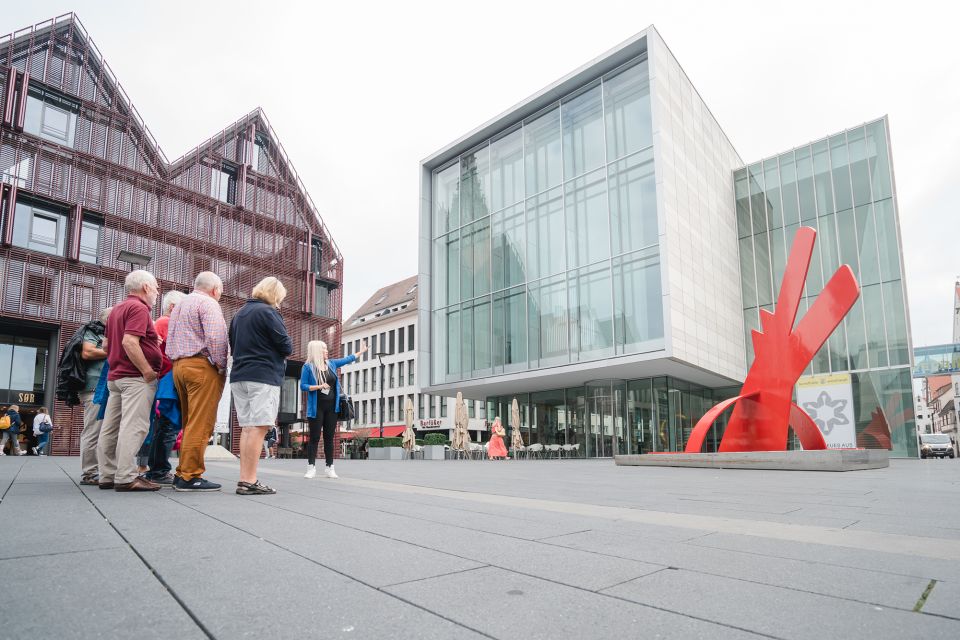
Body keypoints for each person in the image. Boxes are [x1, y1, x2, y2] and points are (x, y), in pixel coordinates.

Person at [96, 270, 163, 492]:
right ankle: (125, 477)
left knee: (111, 426)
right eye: (155, 287)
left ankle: (107, 475)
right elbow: (130, 342)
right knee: (134, 426)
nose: (156, 292)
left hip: (116, 376)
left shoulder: (116, 310)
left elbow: (106, 346)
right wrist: (147, 371)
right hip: (135, 377)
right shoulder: (139, 308)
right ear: (145, 287)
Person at [229, 277, 293, 495]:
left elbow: (232, 344)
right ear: (275, 295)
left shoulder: (239, 314)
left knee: (248, 428)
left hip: (240, 375)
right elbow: (286, 346)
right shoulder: (268, 313)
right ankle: (249, 480)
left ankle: (244, 478)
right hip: (263, 375)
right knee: (260, 427)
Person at [166, 272, 228, 492]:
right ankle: (190, 476)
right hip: (201, 366)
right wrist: (221, 365)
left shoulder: (180, 305)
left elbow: (170, 338)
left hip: (179, 366)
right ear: (215, 289)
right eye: (220, 290)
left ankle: (182, 471)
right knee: (201, 424)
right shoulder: (209, 304)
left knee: (189, 421)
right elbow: (216, 338)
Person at [300, 338, 367, 479]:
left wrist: (361, 352)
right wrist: (319, 386)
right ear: (317, 351)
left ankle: (330, 467)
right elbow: (303, 386)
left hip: (332, 408)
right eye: (324, 349)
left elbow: (347, 359)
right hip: (316, 408)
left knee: (329, 438)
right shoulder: (308, 367)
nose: (326, 351)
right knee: (314, 438)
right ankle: (311, 467)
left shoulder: (331, 364)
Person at [78, 308, 111, 483]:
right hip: (94, 388)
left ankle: (103, 470)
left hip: (106, 388)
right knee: (93, 431)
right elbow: (88, 352)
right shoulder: (93, 331)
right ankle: (90, 472)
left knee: (106, 430)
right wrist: (115, 351)